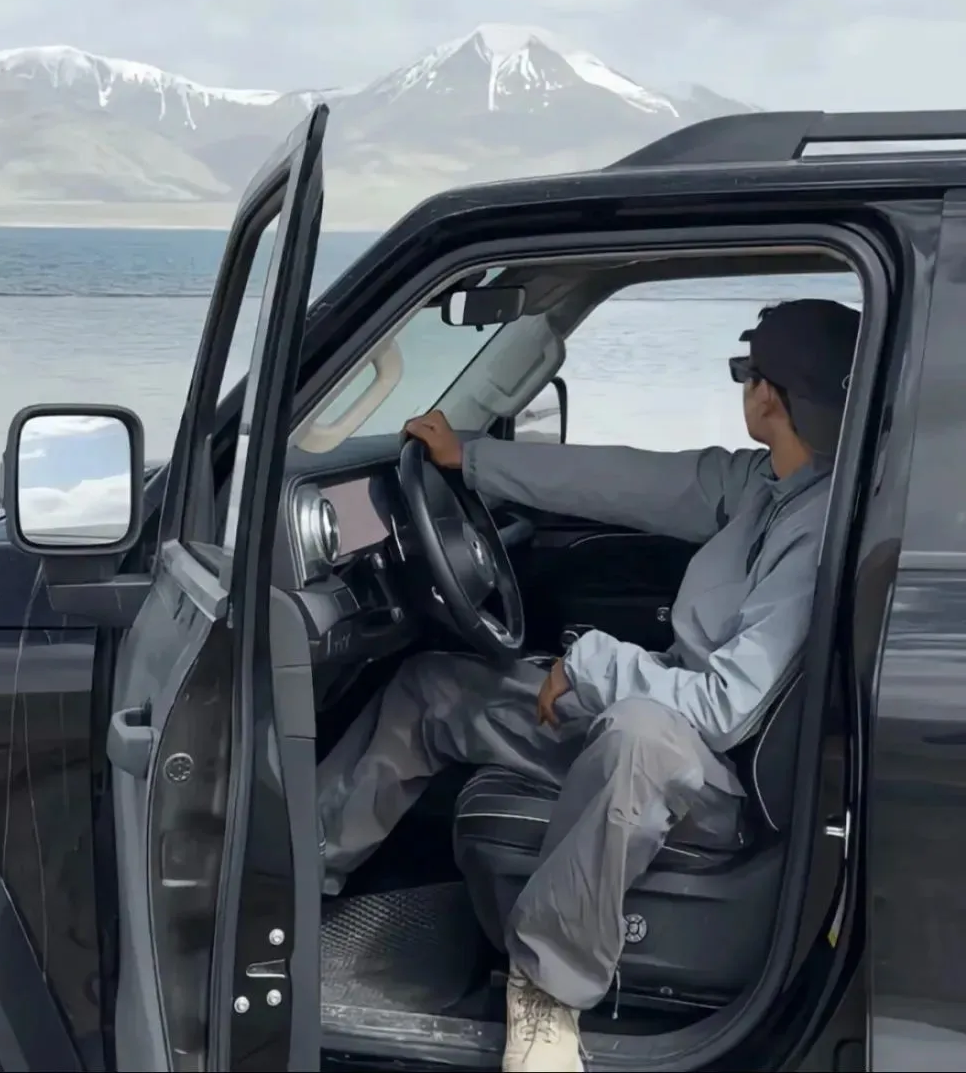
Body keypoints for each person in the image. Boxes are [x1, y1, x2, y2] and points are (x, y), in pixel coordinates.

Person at [317, 298, 860, 1072]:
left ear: (769, 396)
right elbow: (625, 479)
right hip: (660, 718)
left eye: (748, 372)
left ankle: (546, 994)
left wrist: (591, 666)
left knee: (639, 732)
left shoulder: (818, 531)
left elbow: (726, 709)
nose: (744, 386)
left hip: (715, 779)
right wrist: (471, 460)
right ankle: (298, 873)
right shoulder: (764, 489)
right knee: (434, 689)